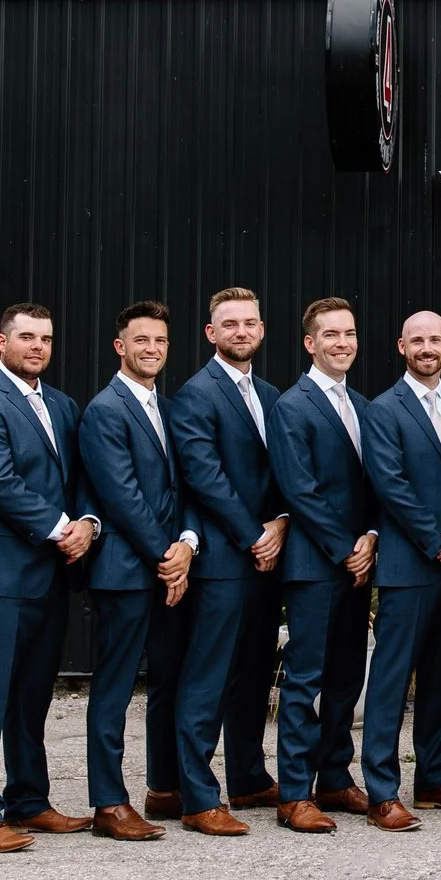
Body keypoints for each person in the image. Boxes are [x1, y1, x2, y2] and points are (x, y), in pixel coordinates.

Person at [0, 303, 98, 852]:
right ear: (0, 341)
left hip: (49, 576)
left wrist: (88, 522)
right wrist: (62, 528)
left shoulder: (61, 405)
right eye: (26, 337)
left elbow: (80, 476)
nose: (37, 347)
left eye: (46, 339)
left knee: (31, 697)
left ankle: (29, 800)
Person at [165, 288, 288, 835]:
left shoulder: (269, 393)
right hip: (222, 559)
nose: (242, 332)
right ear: (211, 334)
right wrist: (251, 535)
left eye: (250, 323)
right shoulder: (196, 394)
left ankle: (248, 775)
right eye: (230, 324)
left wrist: (280, 524)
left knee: (254, 675)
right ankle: (196, 796)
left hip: (268, 556)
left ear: (261, 330)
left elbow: (284, 472)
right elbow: (203, 475)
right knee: (207, 679)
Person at [77, 301, 199, 842]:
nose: (152, 349)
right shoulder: (105, 410)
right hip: (126, 573)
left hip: (171, 567)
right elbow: (121, 497)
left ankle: (163, 786)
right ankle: (108, 801)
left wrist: (188, 546)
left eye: (160, 341)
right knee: (115, 687)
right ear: (120, 347)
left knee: (168, 681)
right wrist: (165, 556)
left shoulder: (169, 410)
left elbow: (188, 486)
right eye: (141, 340)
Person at [359, 310, 441, 831]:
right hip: (409, 567)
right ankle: (381, 791)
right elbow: (391, 486)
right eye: (417, 340)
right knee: (391, 681)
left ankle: (432, 777)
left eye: (435, 339)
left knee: (439, 679)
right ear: (401, 346)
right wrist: (438, 542)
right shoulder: (384, 410)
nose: (427, 347)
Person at [265, 298, 379, 834]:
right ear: (310, 343)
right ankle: (293, 793)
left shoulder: (361, 403)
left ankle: (334, 777)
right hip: (315, 565)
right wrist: (346, 548)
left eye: (350, 333)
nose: (342, 343)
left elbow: (375, 483)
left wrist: (371, 538)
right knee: (304, 680)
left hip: (358, 561)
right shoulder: (293, 405)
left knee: (344, 680)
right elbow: (300, 490)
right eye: (330, 335)